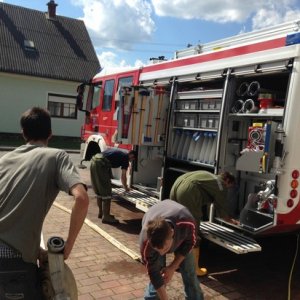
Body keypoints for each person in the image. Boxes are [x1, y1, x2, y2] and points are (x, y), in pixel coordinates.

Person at [0, 107, 89, 299]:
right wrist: (68, 247)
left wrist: (36, 250)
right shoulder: (57, 156)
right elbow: (81, 198)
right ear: (50, 134)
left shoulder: (5, 159)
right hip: (14, 263)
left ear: (23, 133)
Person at [170, 170, 237, 277]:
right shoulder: (221, 185)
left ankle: (177, 264)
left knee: (179, 226)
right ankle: (194, 269)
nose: (228, 189)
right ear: (227, 180)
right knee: (193, 229)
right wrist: (231, 221)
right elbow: (222, 210)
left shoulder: (209, 177)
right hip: (188, 191)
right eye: (230, 186)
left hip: (177, 184)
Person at [139, 199, 204, 300]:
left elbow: (190, 243)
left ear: (172, 233)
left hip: (181, 230)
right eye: (157, 250)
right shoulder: (145, 241)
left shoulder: (187, 222)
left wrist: (173, 267)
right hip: (156, 214)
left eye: (164, 249)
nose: (161, 253)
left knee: (189, 271)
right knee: (158, 273)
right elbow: (153, 272)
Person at [90, 148, 135, 224]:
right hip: (101, 164)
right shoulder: (125, 158)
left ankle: (101, 213)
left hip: (94, 161)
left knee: (99, 191)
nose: (131, 161)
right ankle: (106, 217)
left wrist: (109, 175)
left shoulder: (121, 152)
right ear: (131, 155)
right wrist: (126, 188)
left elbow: (107, 159)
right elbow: (123, 176)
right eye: (132, 159)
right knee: (106, 192)